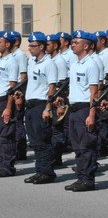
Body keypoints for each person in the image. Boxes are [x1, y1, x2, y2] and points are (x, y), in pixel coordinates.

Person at [61, 30, 99, 192]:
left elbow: (94, 92)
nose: (73, 45)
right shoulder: (75, 64)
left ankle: (88, 180)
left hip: (84, 109)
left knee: (86, 146)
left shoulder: (91, 64)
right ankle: (80, 177)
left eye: (76, 42)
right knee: (77, 147)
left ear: (86, 45)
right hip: (74, 109)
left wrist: (92, 114)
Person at [24, 31, 58, 184]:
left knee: (43, 139)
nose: (30, 48)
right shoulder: (31, 61)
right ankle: (39, 170)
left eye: (33, 45)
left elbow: (52, 87)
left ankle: (47, 172)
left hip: (40, 105)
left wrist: (48, 108)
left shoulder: (49, 63)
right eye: (29, 45)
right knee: (34, 141)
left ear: (42, 46)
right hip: (30, 105)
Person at [46, 34, 69, 167]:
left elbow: (62, 85)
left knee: (57, 130)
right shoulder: (50, 59)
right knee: (51, 130)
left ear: (55, 46)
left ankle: (57, 157)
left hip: (57, 101)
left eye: (48, 44)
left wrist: (61, 104)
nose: (46, 47)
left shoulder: (59, 61)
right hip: (50, 100)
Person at [0, 31, 19, 177]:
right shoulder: (1, 59)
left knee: (6, 135)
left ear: (7, 44)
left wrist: (8, 107)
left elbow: (13, 87)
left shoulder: (12, 61)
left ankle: (7, 166)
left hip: (5, 100)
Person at [10, 31, 28, 161]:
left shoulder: (20, 55)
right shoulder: (11, 55)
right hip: (11, 93)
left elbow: (23, 77)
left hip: (17, 94)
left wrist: (20, 96)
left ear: (15, 42)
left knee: (18, 124)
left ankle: (20, 151)